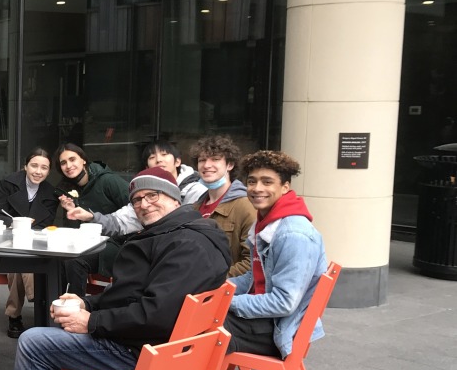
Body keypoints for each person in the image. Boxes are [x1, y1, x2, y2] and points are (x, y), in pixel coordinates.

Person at [0, 166, 229, 370]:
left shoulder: (184, 244)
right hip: (165, 350)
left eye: (152, 195)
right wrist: (88, 304)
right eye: (138, 199)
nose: (144, 204)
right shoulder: (190, 233)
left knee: (35, 342)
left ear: (174, 198)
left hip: (143, 356)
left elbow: (155, 313)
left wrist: (91, 322)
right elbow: (137, 296)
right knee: (62, 330)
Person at [224, 151, 327, 357]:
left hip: (281, 329)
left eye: (267, 182)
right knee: (200, 316)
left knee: (201, 325)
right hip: (269, 319)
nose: (257, 188)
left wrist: (225, 301)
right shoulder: (265, 222)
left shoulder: (293, 234)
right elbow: (254, 278)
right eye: (251, 181)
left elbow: (284, 302)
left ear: (285, 187)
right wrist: (219, 290)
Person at [66, 139, 206, 237]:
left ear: (178, 161)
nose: (158, 160)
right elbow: (120, 222)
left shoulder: (198, 192)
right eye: (152, 157)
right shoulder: (141, 196)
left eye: (164, 155)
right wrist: (91, 217)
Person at [0, 149, 58, 338]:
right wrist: (16, 224)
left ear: (49, 171)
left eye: (44, 168)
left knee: (21, 266)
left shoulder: (50, 192)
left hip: (36, 242)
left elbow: (48, 222)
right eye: (34, 165)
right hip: (8, 239)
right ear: (25, 166)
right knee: (19, 259)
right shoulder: (8, 183)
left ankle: (14, 315)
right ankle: (38, 300)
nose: (38, 171)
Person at [54, 142, 130, 291]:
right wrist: (72, 210)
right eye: (63, 163)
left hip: (116, 243)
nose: (68, 165)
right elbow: (74, 229)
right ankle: (54, 305)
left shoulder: (107, 180)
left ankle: (77, 308)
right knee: (55, 259)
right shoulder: (67, 190)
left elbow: (135, 204)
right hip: (86, 243)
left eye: (72, 159)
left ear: (83, 160)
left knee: (75, 260)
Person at [191, 135, 256, 277]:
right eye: (202, 160)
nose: (207, 165)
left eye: (215, 159)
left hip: (226, 292)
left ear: (230, 165)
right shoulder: (194, 208)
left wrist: (210, 281)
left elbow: (252, 262)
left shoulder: (246, 205)